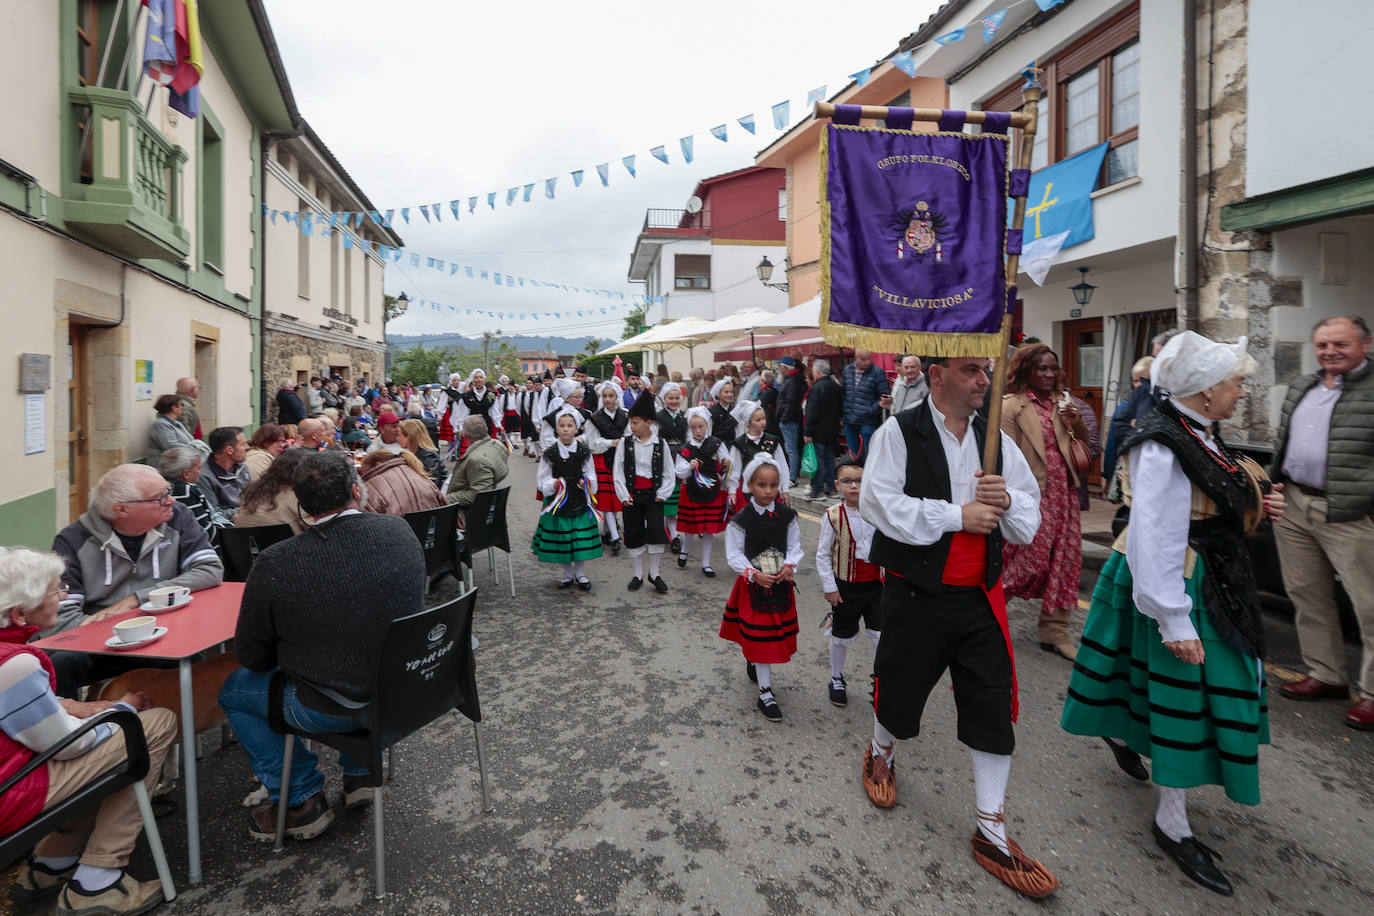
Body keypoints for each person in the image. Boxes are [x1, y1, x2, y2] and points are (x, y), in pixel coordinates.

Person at [1062, 332, 1283, 896]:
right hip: (1181, 579)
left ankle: (1128, 733)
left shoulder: (1198, 430)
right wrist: (1174, 619)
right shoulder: (1160, 442)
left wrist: (1257, 500)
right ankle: (1171, 823)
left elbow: (1212, 495)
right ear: (1207, 391)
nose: (1241, 390)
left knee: (1155, 685)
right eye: (1235, 382)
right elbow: (1155, 532)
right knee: (1186, 693)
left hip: (1212, 573)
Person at [859, 355, 1054, 899]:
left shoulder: (996, 442)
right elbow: (879, 502)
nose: (984, 382)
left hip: (979, 597)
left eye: (986, 372)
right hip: (917, 593)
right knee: (899, 685)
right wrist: (956, 515)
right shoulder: (899, 431)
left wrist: (1008, 499)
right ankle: (881, 750)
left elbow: (1026, 522)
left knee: (991, 703)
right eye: (972, 371)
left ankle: (991, 830)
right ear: (939, 376)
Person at [219, 452, 427, 840]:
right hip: (410, 690)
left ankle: (300, 801)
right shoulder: (398, 532)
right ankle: (360, 771)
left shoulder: (277, 561)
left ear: (301, 504)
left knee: (234, 691)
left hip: (334, 705)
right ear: (355, 490)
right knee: (356, 658)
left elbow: (253, 656)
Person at [0, 546, 177, 914]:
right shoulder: (14, 666)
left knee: (108, 749)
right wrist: (120, 711)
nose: (63, 598)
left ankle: (51, 864)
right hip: (11, 794)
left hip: (10, 778)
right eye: (56, 591)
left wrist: (87, 710)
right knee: (152, 725)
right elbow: (68, 746)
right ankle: (98, 881)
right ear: (19, 613)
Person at [1269, 315, 1374, 729]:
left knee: (1370, 604)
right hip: (1295, 503)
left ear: (1365, 344)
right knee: (1307, 594)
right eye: (1322, 345)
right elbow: (1285, 442)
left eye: (1340, 344)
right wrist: (1276, 484)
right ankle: (1326, 674)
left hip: (1351, 512)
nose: (1329, 351)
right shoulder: (1303, 385)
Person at [49, 465, 223, 695]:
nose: (171, 500)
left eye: (168, 492)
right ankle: (76, 728)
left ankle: (175, 725)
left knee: (194, 664)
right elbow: (62, 617)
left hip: (167, 630)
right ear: (121, 510)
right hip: (101, 644)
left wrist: (136, 599)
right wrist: (119, 631)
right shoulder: (73, 541)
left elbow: (210, 569)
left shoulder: (179, 517)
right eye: (160, 498)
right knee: (59, 663)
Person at [999, 344, 1092, 661]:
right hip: (1030, 496)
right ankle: (983, 617)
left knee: (1065, 563)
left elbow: (1083, 444)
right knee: (1022, 563)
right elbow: (1003, 453)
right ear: (1026, 370)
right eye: (1042, 368)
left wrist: (1075, 422)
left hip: (1063, 495)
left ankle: (1055, 633)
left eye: (1053, 368)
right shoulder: (1011, 406)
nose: (1050, 374)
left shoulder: (1064, 403)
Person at [721, 455, 803, 722]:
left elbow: (794, 547)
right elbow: (734, 554)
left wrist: (790, 566)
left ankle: (756, 663)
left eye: (773, 485)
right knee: (762, 638)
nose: (768, 491)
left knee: (768, 638)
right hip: (753, 586)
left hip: (779, 584)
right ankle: (765, 693)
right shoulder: (740, 519)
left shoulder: (788, 516)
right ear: (750, 485)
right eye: (762, 485)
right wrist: (754, 574)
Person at [815, 458, 881, 709]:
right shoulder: (832, 516)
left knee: (881, 636)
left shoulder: (878, 511)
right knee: (841, 635)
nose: (854, 486)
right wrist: (830, 588)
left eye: (860, 481)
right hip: (846, 588)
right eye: (848, 481)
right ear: (837, 485)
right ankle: (837, 677)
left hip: (878, 585)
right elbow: (823, 554)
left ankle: (880, 680)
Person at [532, 406, 602, 590]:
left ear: (576, 428)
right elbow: (543, 477)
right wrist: (553, 484)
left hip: (579, 500)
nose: (565, 429)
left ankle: (580, 574)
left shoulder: (584, 451)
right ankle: (567, 574)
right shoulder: (550, 453)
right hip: (559, 503)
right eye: (562, 425)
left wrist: (586, 482)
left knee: (578, 537)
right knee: (564, 538)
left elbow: (591, 474)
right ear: (556, 429)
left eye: (569, 425)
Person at [613, 393, 675, 593]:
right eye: (631, 423)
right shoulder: (625, 443)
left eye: (636, 423)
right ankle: (637, 574)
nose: (632, 426)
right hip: (632, 495)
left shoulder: (661, 444)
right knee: (633, 532)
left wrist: (663, 493)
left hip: (653, 495)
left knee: (657, 533)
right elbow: (618, 470)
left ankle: (654, 574)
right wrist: (623, 494)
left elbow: (668, 472)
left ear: (649, 422)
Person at [674, 407, 730, 577]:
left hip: (712, 490)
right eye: (694, 427)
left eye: (701, 426)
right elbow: (679, 471)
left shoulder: (716, 443)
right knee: (691, 525)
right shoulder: (686, 448)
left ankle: (706, 563)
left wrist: (726, 462)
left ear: (707, 425)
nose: (698, 431)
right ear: (689, 428)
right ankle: (685, 550)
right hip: (692, 490)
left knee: (708, 529)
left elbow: (725, 461)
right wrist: (689, 467)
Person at [585, 380, 629, 553]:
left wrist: (623, 444)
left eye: (611, 396)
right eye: (605, 396)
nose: (608, 399)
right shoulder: (594, 418)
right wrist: (610, 442)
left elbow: (629, 436)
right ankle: (615, 537)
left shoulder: (625, 415)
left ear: (617, 397)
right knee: (607, 499)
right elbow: (592, 442)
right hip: (602, 460)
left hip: (620, 460)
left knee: (617, 497)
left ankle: (607, 531)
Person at [726, 400, 790, 512]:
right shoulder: (740, 444)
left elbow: (782, 466)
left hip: (770, 491)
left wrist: (784, 490)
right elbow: (734, 469)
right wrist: (732, 492)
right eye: (758, 420)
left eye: (764, 418)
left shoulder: (772, 441)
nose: (763, 422)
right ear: (748, 422)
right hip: (747, 492)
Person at [446, 416, 511, 522]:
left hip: (469, 513)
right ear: (486, 430)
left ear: (464, 435)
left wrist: (447, 498)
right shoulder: (497, 444)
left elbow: (478, 494)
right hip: (481, 499)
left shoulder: (477, 460)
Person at [158, 445, 225, 544]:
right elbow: (205, 532)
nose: (200, 472)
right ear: (187, 474)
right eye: (198, 468)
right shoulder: (186, 491)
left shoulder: (159, 486)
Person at [234, 448, 310, 534]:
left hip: (241, 545)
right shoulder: (297, 496)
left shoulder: (252, 491)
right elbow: (316, 530)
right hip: (282, 545)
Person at [1104, 356, 1154, 485]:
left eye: (1141, 381)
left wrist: (1135, 425)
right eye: (1135, 381)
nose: (1137, 385)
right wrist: (1109, 474)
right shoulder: (1126, 406)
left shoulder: (1158, 405)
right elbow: (1113, 441)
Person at [358, 450, 446, 518]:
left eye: (366, 471)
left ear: (378, 464)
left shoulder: (372, 486)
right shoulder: (421, 476)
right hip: (433, 537)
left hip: (398, 538)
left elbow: (365, 523)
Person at [655, 383, 689, 553]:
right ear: (664, 399)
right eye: (671, 398)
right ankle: (666, 532)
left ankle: (674, 535)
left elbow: (688, 438)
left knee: (674, 502)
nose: (674, 401)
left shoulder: (685, 416)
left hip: (681, 459)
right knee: (665, 496)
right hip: (664, 458)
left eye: (677, 398)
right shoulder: (658, 417)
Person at [804, 358, 844, 499]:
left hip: (818, 431)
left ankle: (818, 489)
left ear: (818, 372)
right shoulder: (836, 387)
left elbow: (812, 412)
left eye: (814, 372)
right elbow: (841, 409)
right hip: (832, 430)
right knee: (829, 459)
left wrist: (808, 431)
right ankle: (831, 488)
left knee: (818, 461)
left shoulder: (817, 388)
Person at [841, 350, 891, 461]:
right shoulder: (848, 370)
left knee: (871, 455)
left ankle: (870, 477)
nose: (868, 362)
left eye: (869, 358)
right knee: (853, 456)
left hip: (868, 421)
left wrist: (870, 411)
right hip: (849, 420)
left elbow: (884, 396)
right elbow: (843, 392)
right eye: (864, 359)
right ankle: (856, 477)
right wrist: (843, 412)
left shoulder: (877, 372)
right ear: (856, 358)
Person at [197, 427, 250, 518]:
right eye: (243, 444)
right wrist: (245, 511)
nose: (248, 447)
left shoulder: (242, 467)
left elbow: (253, 498)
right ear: (229, 450)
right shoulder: (203, 476)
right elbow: (214, 513)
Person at [774, 356, 807, 487]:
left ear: (785, 368)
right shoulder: (793, 380)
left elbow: (791, 403)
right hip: (791, 419)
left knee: (791, 450)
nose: (778, 369)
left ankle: (792, 477)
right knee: (791, 449)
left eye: (780, 366)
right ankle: (792, 475)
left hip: (789, 421)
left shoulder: (792, 381)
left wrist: (784, 419)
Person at [146, 394, 195, 470]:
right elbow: (171, 447)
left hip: (179, 466)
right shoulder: (160, 424)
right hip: (164, 469)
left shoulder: (178, 423)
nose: (182, 407)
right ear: (174, 408)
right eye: (180, 405)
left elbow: (191, 440)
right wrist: (194, 448)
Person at [398, 418, 444, 489]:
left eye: (400, 435)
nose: (398, 438)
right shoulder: (415, 453)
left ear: (409, 437)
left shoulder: (427, 456)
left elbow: (433, 484)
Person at [707, 378, 738, 443]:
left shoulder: (735, 410)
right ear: (719, 394)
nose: (729, 395)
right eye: (726, 392)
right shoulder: (712, 411)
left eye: (731, 392)